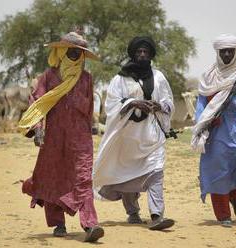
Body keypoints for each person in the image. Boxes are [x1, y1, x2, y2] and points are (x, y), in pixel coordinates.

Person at [19, 30, 104, 242]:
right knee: (54, 177)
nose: (76, 55)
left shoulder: (86, 79)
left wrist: (91, 128)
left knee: (83, 179)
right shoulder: (49, 76)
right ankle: (58, 224)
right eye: (72, 51)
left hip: (81, 139)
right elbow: (38, 103)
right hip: (54, 138)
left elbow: (90, 109)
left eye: (79, 52)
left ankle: (90, 224)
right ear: (63, 51)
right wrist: (38, 128)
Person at [93, 36, 175, 231]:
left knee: (156, 171)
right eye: (139, 51)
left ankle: (157, 215)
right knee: (127, 174)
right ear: (133, 54)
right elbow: (111, 105)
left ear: (151, 55)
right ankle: (132, 212)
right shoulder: (119, 79)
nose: (142, 55)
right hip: (127, 136)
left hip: (152, 135)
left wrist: (159, 105)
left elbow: (169, 102)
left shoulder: (158, 77)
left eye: (146, 52)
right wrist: (133, 103)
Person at [191, 34, 236, 227]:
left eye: (230, 51)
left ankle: (235, 197)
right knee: (218, 171)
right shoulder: (208, 77)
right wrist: (201, 126)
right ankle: (223, 215)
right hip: (216, 131)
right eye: (223, 51)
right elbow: (202, 103)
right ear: (218, 53)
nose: (227, 54)